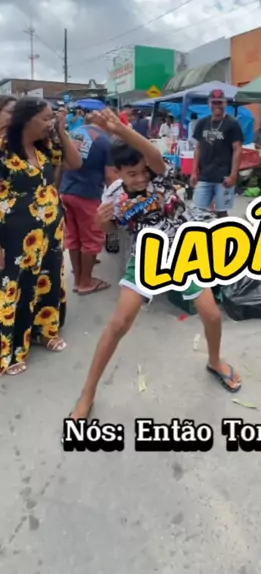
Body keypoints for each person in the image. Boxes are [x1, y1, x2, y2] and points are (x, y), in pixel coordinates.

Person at [68, 108, 241, 421]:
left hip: (184, 250)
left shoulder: (160, 175)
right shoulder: (113, 195)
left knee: (212, 314)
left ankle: (214, 360)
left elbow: (152, 154)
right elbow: (112, 233)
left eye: (142, 171)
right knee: (119, 324)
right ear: (118, 173)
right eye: (131, 173)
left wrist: (120, 130)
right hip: (147, 256)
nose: (139, 178)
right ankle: (87, 393)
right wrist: (101, 222)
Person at [0, 98, 82, 375]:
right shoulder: (2, 150)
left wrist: (61, 130)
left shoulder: (45, 147)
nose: (50, 122)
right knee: (17, 287)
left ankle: (44, 331)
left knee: (48, 279)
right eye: (46, 118)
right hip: (14, 237)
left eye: (51, 118)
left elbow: (75, 162)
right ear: (26, 119)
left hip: (49, 232)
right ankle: (13, 349)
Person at [60, 118, 116, 294]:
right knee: (92, 238)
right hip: (87, 194)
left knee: (73, 236)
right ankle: (85, 282)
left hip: (66, 191)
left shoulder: (76, 131)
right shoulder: (104, 141)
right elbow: (110, 176)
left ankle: (78, 278)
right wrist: (115, 197)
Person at [191, 89, 243, 217]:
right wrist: (194, 172)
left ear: (225, 103)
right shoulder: (202, 123)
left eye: (220, 102)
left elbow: (237, 149)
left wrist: (233, 175)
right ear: (209, 103)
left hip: (223, 177)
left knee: (222, 213)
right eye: (214, 102)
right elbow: (198, 148)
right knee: (198, 212)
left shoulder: (232, 124)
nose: (217, 106)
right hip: (204, 176)